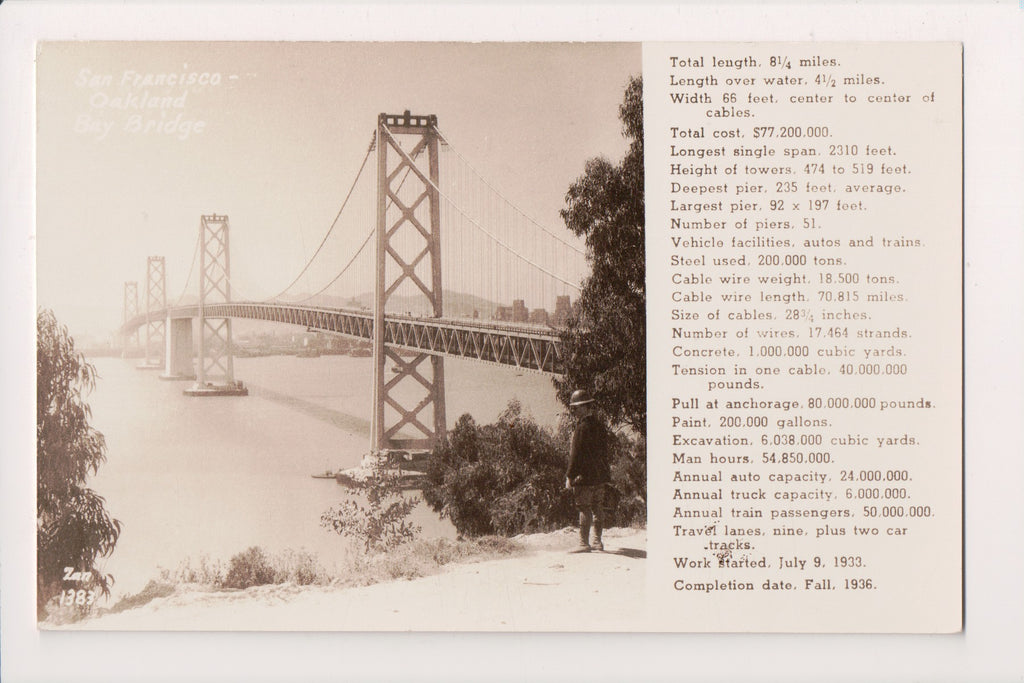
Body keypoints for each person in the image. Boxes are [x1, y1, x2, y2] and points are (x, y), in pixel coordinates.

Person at [565, 389, 611, 552]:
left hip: (584, 477)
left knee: (584, 507)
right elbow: (605, 452)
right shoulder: (600, 426)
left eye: (575, 408)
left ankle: (584, 544)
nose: (573, 411)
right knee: (598, 507)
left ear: (585, 407)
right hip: (600, 476)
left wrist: (569, 476)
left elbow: (575, 455)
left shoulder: (581, 428)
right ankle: (598, 542)